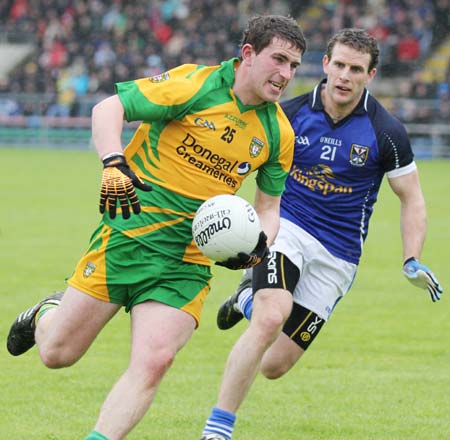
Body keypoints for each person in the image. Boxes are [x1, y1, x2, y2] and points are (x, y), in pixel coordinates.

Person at [6, 15, 307, 440]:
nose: (286, 74)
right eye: (279, 59)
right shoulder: (195, 86)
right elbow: (109, 108)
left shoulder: (278, 133)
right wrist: (113, 162)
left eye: (294, 66)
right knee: (57, 353)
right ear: (248, 55)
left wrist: (260, 244)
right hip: (128, 237)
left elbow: (269, 207)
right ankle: (46, 313)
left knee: (155, 360)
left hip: (186, 264)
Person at [199, 28, 443, 440]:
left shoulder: (387, 132)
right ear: (326, 64)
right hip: (286, 228)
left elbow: (412, 199)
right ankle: (218, 428)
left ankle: (245, 299)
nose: (345, 76)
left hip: (339, 255)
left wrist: (410, 259)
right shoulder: (289, 114)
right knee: (270, 319)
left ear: (371, 74)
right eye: (340, 65)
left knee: (274, 365)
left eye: (356, 69)